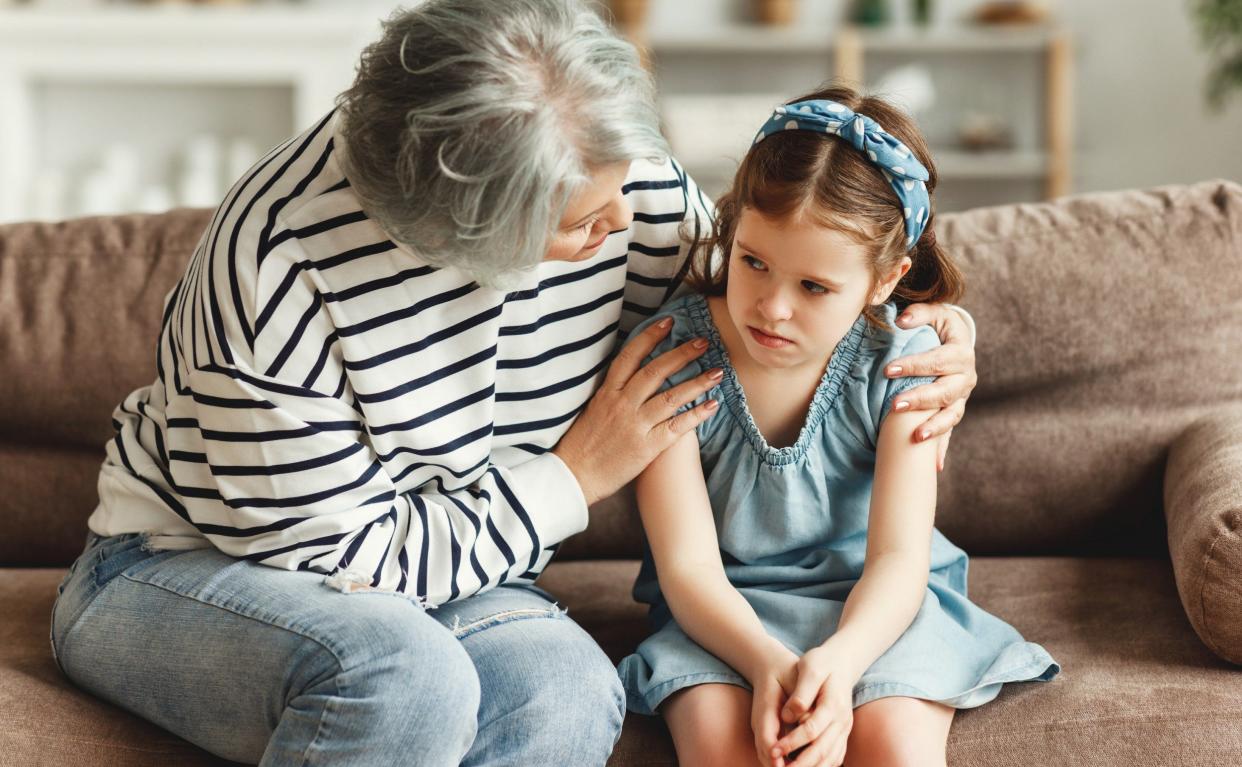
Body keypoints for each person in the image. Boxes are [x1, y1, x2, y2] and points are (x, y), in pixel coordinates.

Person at [48, 2, 980, 765]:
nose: (628, 224)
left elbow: (781, 288)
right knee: (405, 677)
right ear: (466, 242)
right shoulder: (275, 276)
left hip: (464, 572)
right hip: (202, 564)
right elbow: (349, 565)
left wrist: (941, 330)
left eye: (630, 189)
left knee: (568, 687)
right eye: (584, 223)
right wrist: (573, 476)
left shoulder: (617, 186)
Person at [616, 86, 1059, 767]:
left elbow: (898, 560)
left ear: (885, 280)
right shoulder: (672, 357)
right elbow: (688, 567)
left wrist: (841, 664)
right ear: (733, 231)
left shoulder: (905, 364)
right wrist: (767, 664)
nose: (772, 308)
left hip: (879, 608)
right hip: (720, 613)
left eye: (814, 287)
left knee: (894, 749)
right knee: (723, 748)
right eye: (753, 261)